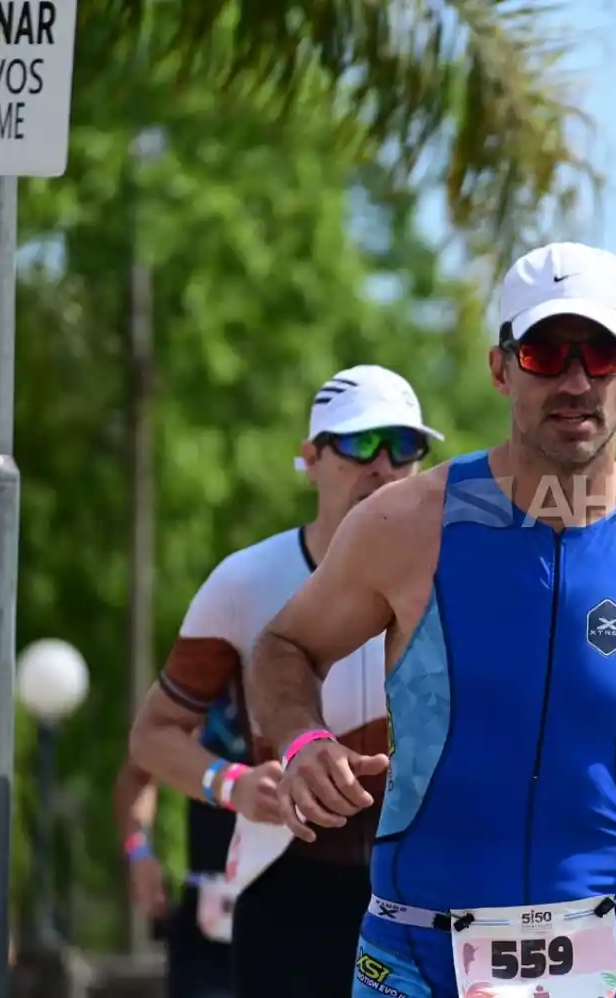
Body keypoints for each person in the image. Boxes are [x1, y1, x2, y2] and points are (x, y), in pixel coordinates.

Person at [241, 241, 616, 998]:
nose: (575, 380)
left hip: (611, 949)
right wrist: (305, 739)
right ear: (502, 367)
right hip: (419, 953)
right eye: (546, 352)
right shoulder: (407, 522)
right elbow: (285, 645)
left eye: (601, 353)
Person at [126, 365, 443, 998]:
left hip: (422, 890)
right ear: (310, 459)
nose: (382, 466)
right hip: (288, 888)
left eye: (404, 447)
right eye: (358, 444)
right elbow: (153, 735)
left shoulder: (457, 577)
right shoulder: (245, 581)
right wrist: (233, 784)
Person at [113, 756, 233, 998]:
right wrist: (139, 852)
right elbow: (140, 769)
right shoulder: (207, 719)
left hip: (297, 915)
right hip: (210, 927)